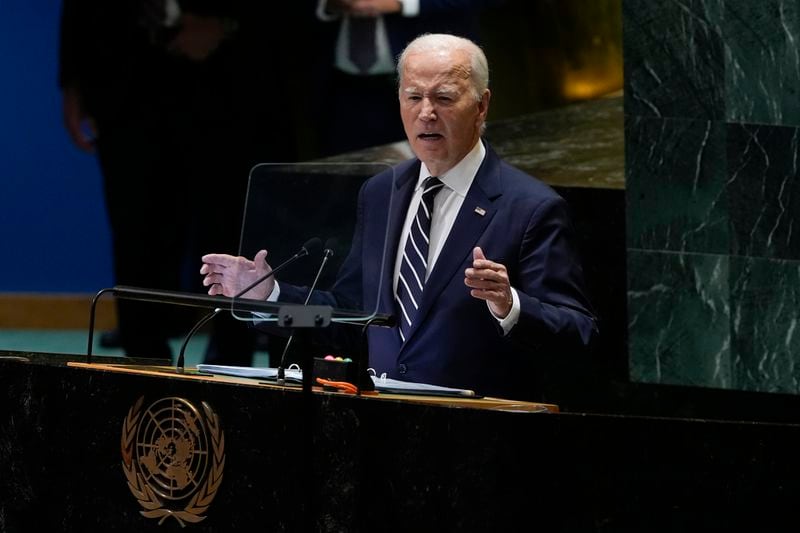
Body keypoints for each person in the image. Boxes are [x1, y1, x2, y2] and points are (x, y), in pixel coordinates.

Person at [200, 33, 598, 401]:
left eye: (443, 98)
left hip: (477, 438)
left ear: (481, 105)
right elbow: (347, 320)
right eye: (413, 97)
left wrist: (509, 305)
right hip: (384, 432)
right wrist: (269, 298)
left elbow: (579, 333)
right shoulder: (380, 194)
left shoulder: (531, 207)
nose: (426, 113)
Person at [59, 1, 297, 363]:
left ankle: (232, 361)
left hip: (229, 83)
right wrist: (73, 84)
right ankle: (142, 364)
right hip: (126, 84)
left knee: (229, 228)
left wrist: (226, 21)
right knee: (136, 236)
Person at [308, 0, 501, 157]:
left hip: (429, 82)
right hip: (345, 84)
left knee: (435, 171)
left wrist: (402, 3)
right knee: (347, 176)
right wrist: (329, 4)